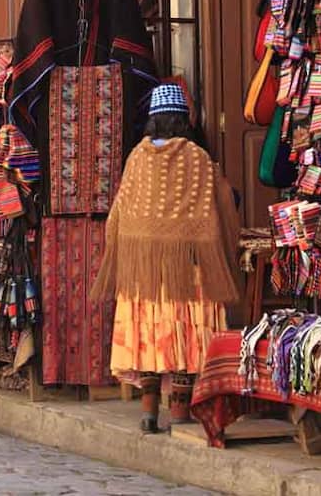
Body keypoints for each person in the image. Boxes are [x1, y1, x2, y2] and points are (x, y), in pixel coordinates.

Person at [91, 84, 244, 433]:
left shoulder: (137, 157)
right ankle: (179, 412)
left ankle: (148, 413)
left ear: (153, 120)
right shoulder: (198, 158)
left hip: (144, 274)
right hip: (188, 270)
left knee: (147, 335)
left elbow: (118, 213)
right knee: (184, 336)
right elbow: (223, 202)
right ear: (182, 121)